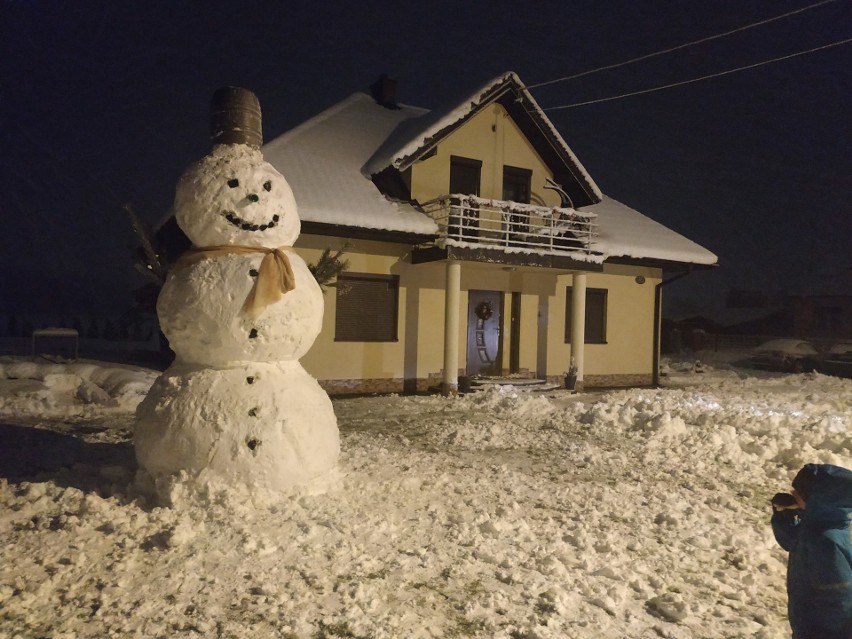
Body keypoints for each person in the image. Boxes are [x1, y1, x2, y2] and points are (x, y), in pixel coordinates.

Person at [770, 463, 852, 639]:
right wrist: (784, 516)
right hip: (807, 623)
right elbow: (793, 542)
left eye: (798, 494)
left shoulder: (826, 542)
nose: (792, 496)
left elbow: (841, 598)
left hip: (825, 632)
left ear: (819, 500)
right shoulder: (815, 527)